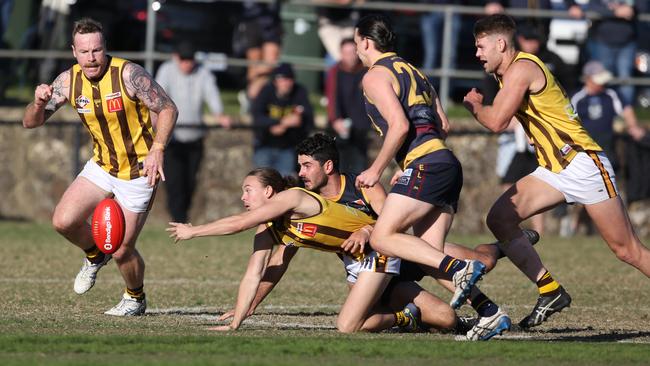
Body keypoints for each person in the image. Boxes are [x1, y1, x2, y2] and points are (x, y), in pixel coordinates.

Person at [219, 134, 521, 340]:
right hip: (373, 273)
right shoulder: (304, 202)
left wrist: (366, 230)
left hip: (401, 255)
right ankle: (423, 318)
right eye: (299, 166)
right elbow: (280, 260)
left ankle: (492, 260)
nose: (300, 173)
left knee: (475, 262)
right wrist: (252, 304)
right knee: (444, 318)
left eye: (306, 166)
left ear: (328, 166)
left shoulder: (364, 185)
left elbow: (393, 227)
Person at [462, 14, 650, 329]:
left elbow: (496, 122)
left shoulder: (522, 68)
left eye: (481, 47)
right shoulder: (506, 74)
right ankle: (550, 290)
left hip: (582, 164)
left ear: (500, 43)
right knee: (500, 218)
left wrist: (475, 106)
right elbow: (506, 120)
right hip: (553, 168)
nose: (477, 53)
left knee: (627, 250)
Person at [167, 167, 458, 334]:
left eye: (248, 189)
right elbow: (254, 274)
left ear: (269, 192)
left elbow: (239, 223)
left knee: (347, 326)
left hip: (378, 250)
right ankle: (423, 314)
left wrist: (194, 231)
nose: (243, 197)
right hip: (354, 263)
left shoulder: (292, 197)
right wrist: (237, 322)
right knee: (445, 318)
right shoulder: (268, 227)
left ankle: (407, 317)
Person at [22, 18, 178, 316]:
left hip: (138, 172)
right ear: (74, 51)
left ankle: (135, 297)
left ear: (105, 48)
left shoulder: (129, 74)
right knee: (63, 221)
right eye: (84, 51)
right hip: (102, 166)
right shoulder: (68, 81)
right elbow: (30, 122)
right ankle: (94, 255)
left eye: (97, 50)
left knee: (121, 249)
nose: (91, 57)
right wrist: (39, 103)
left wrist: (157, 149)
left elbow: (168, 107)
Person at [352, 14, 486, 311]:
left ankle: (459, 267)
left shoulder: (375, 75)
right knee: (426, 254)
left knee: (383, 238)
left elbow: (399, 126)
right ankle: (489, 312)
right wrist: (406, 165)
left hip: (427, 164)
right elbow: (444, 125)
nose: (355, 50)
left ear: (366, 41)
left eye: (355, 43)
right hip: (445, 162)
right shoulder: (416, 72)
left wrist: (376, 170)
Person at [155, 40, 232, 223]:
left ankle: (183, 218)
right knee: (174, 183)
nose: (187, 64)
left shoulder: (203, 73)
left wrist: (219, 113)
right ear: (176, 58)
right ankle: (177, 220)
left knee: (190, 182)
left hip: (195, 138)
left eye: (190, 60)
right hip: (172, 139)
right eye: (183, 59)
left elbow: (211, 93)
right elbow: (157, 96)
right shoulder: (167, 70)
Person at [251, 63, 314, 176]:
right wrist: (281, 122)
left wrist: (292, 122)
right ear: (275, 81)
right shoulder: (266, 91)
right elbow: (257, 118)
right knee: (262, 181)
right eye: (282, 79)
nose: (286, 83)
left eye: (289, 79)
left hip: (288, 147)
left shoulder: (299, 92)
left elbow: (308, 120)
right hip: (265, 144)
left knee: (285, 183)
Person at [325, 38, 371, 173]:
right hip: (339, 126)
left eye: (352, 52)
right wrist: (335, 120)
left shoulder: (366, 71)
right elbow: (331, 97)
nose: (349, 56)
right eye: (345, 53)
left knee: (359, 168)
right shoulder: (335, 71)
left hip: (361, 128)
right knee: (339, 167)